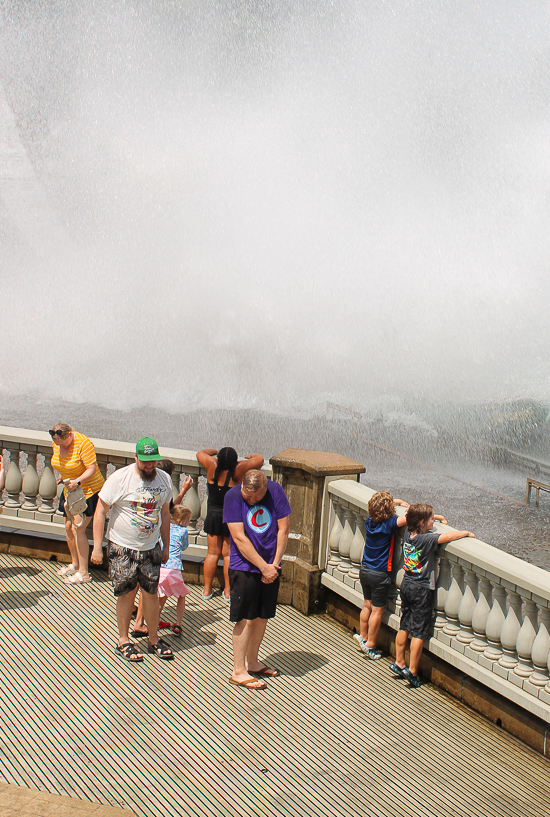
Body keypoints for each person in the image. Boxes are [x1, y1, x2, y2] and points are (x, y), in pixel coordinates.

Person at [91, 437, 174, 663]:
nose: (149, 466)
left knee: (151, 593)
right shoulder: (120, 478)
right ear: (135, 457)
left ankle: (153, 639)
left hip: (151, 547)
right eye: (145, 461)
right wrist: (97, 547)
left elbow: (165, 514)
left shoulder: (165, 479)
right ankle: (123, 640)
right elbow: (100, 511)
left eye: (153, 461)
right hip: (122, 547)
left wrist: (166, 545)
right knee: (126, 593)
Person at [391, 503, 475, 688]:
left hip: (406, 584)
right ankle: (412, 671)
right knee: (418, 632)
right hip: (421, 589)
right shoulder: (426, 540)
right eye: (431, 519)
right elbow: (448, 536)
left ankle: (399, 662)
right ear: (422, 523)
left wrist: (439, 518)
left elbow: (414, 517)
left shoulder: (408, 533)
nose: (433, 521)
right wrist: (465, 533)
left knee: (404, 624)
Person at [223, 470, 291, 690]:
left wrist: (275, 565)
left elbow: (283, 529)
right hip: (244, 567)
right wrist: (263, 567)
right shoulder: (232, 496)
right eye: (248, 496)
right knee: (245, 618)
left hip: (271, 566)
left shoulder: (275, 491)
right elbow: (238, 537)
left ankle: (252, 662)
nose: (251, 500)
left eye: (257, 497)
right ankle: (238, 670)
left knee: (262, 616)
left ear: (265, 488)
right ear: (242, 486)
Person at [196, 447, 264, 601]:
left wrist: (214, 451)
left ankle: (207, 590)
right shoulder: (239, 469)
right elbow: (259, 459)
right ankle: (227, 592)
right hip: (231, 517)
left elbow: (200, 453)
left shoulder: (212, 465)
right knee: (227, 555)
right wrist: (251, 455)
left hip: (213, 515)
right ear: (235, 461)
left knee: (212, 554)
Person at [353, 491, 409, 659]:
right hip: (380, 573)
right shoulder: (389, 524)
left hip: (365, 570)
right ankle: (370, 644)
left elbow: (377, 506)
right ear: (388, 510)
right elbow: (410, 517)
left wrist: (397, 501)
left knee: (366, 606)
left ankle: (363, 636)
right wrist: (404, 505)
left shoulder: (369, 521)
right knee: (377, 611)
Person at [50, 423, 104, 584]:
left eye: (63, 443)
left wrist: (77, 481)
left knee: (77, 529)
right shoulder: (56, 441)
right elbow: (62, 461)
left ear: (70, 434)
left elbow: (91, 468)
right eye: (58, 443)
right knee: (68, 526)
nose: (60, 446)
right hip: (69, 490)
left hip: (87, 491)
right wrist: (63, 475)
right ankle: (75, 564)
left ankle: (84, 573)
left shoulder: (83, 443)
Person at [133, 504, 192, 637]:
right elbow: (184, 546)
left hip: (161, 566)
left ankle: (153, 623)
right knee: (181, 596)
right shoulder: (183, 531)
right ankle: (178, 624)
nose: (188, 523)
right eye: (188, 520)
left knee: (159, 598)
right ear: (180, 521)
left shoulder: (164, 527)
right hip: (174, 569)